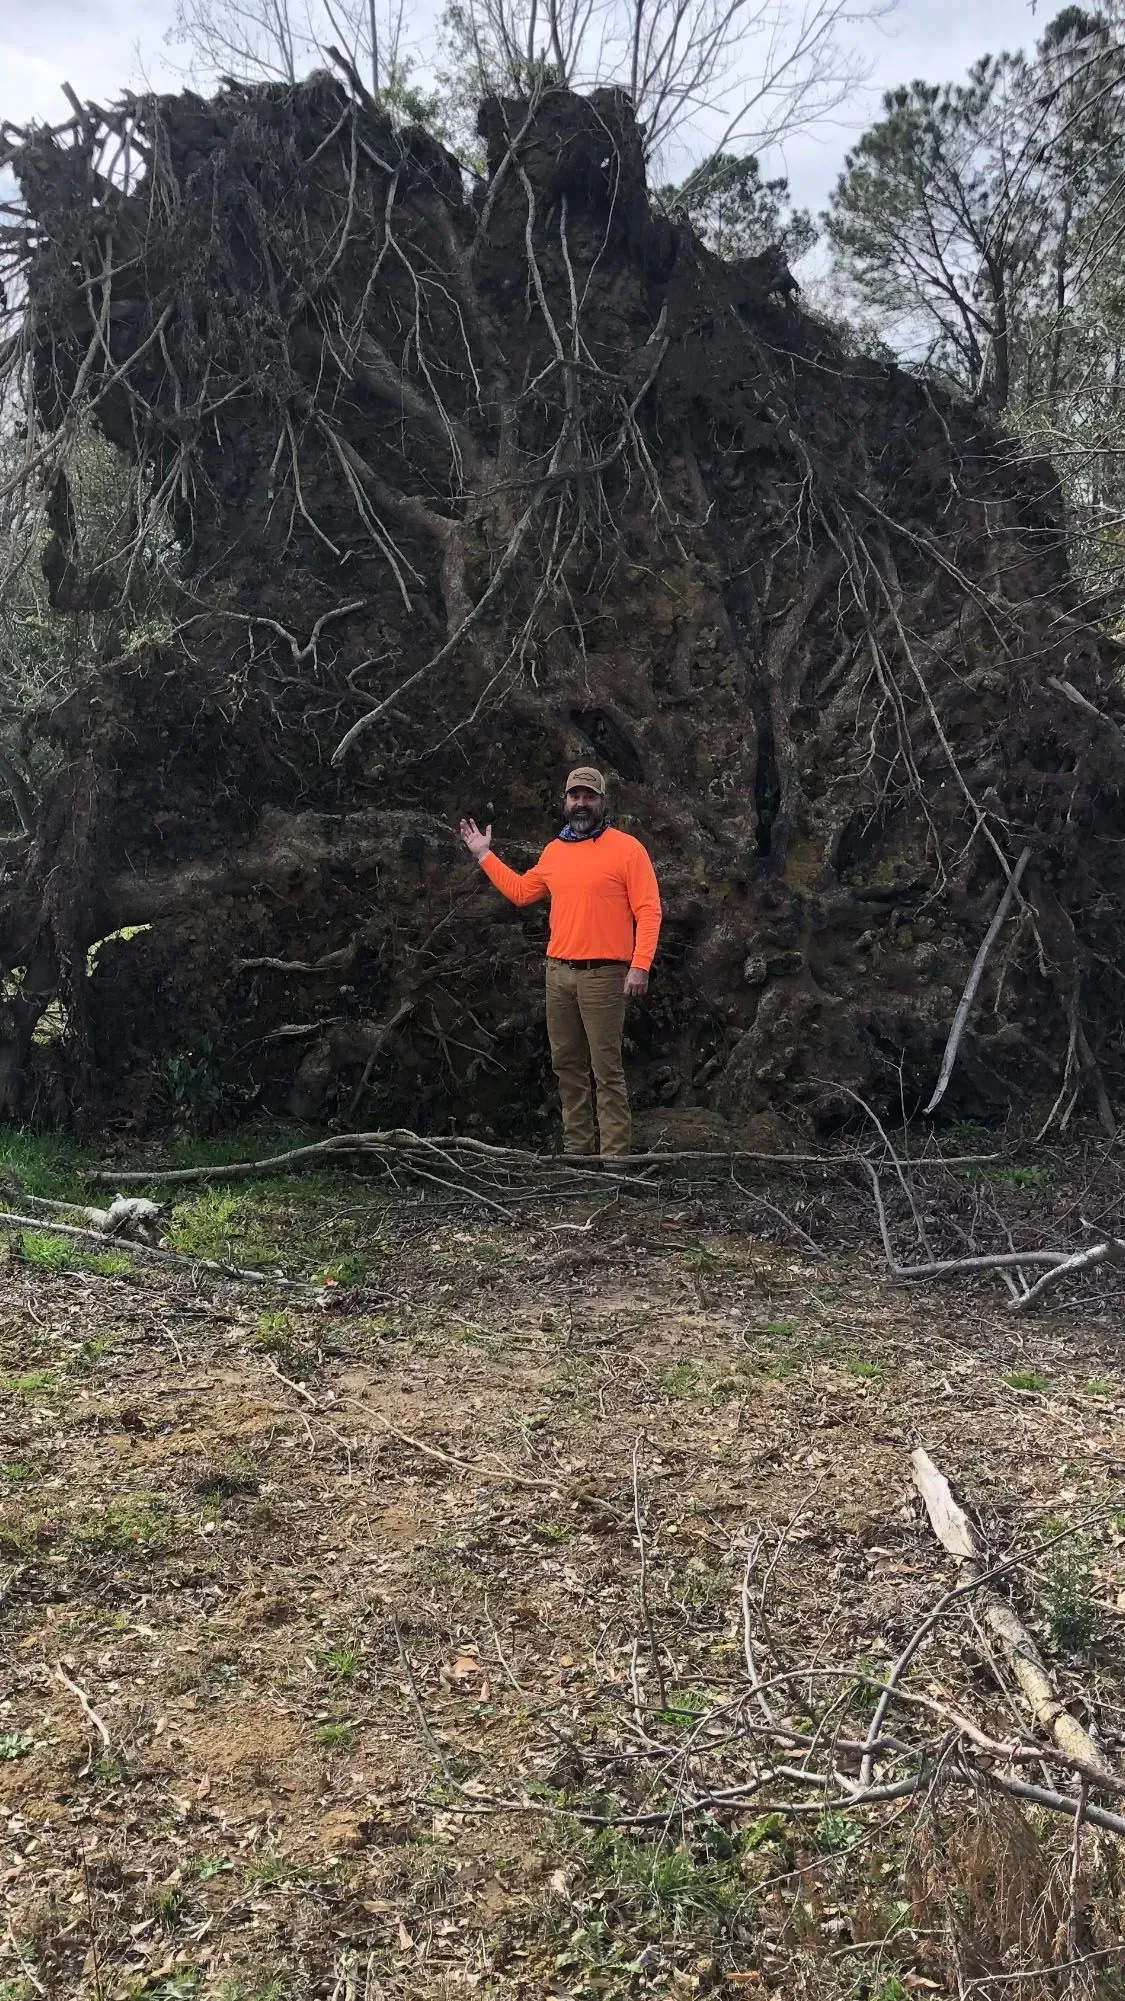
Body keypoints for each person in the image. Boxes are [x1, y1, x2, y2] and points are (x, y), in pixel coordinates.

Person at [459, 768, 662, 1159]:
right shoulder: (554, 851)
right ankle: (578, 1154)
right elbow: (521, 892)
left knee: (607, 1070)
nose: (581, 804)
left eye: (589, 797)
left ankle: (615, 1161)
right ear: (565, 802)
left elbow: (649, 910)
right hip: (558, 973)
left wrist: (641, 964)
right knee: (566, 1065)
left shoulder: (627, 849)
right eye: (575, 796)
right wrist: (483, 854)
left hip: (605, 975)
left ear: (602, 802)